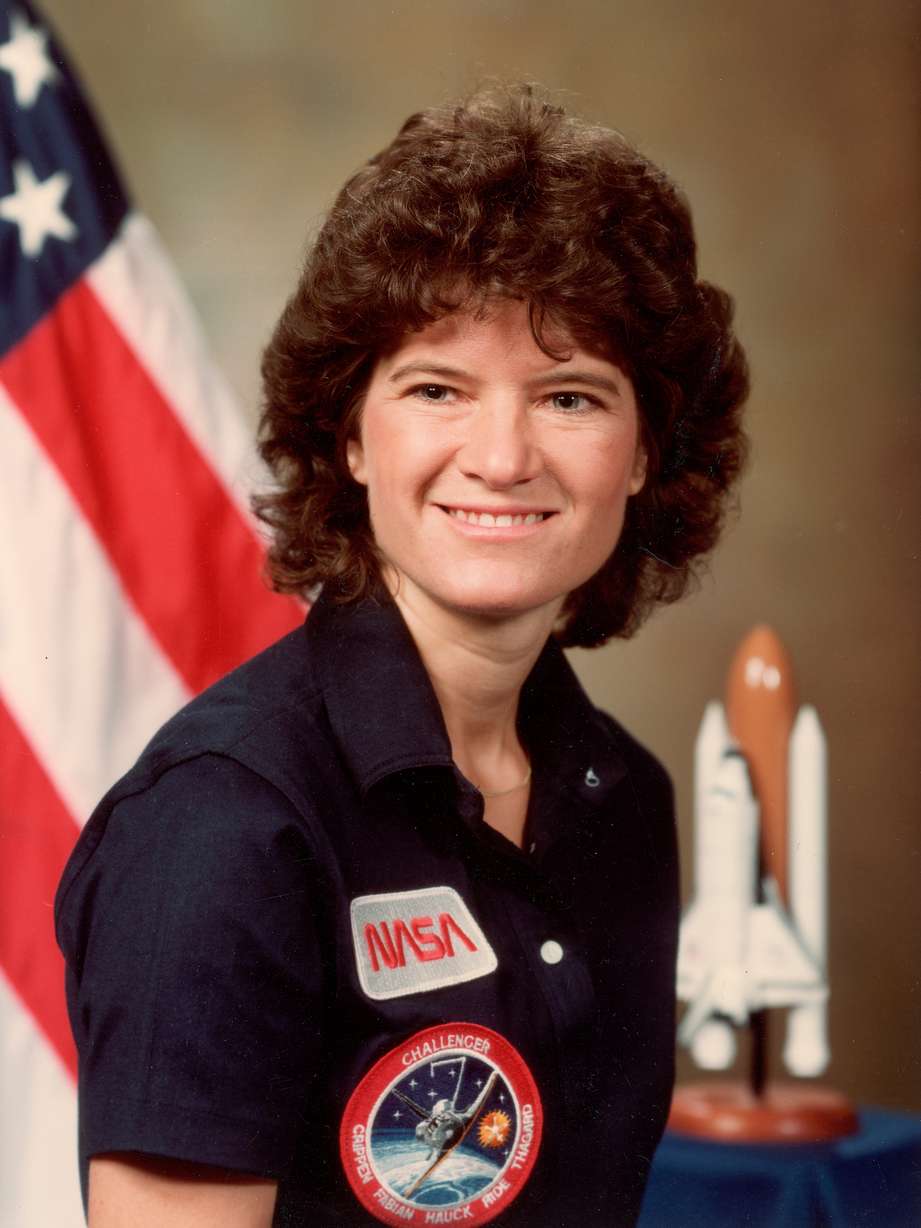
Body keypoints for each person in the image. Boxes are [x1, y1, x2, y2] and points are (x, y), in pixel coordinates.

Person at [55, 83, 748, 1227]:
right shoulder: (225, 824)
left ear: (644, 455)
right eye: (437, 389)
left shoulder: (622, 795)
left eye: (570, 396)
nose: (503, 455)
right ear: (351, 436)